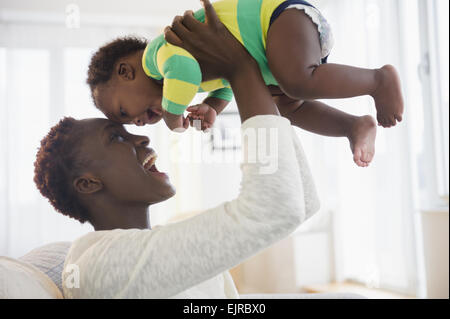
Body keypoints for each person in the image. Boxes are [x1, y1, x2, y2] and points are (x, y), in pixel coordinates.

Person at [33, 0, 320, 298]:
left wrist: (261, 87)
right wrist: (242, 70)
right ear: (88, 183)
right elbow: (276, 209)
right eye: (117, 138)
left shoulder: (161, 246)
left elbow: (301, 203)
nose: (143, 138)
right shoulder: (98, 262)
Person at [86, 0, 404, 168]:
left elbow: (183, 70)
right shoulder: (180, 78)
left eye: (125, 111)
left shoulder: (159, 54)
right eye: (132, 122)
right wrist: (212, 105)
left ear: (126, 72)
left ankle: (379, 80)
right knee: (288, 106)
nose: (138, 123)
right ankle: (353, 126)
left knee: (296, 83)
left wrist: (173, 116)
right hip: (278, 55)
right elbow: (225, 78)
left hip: (277, 20)